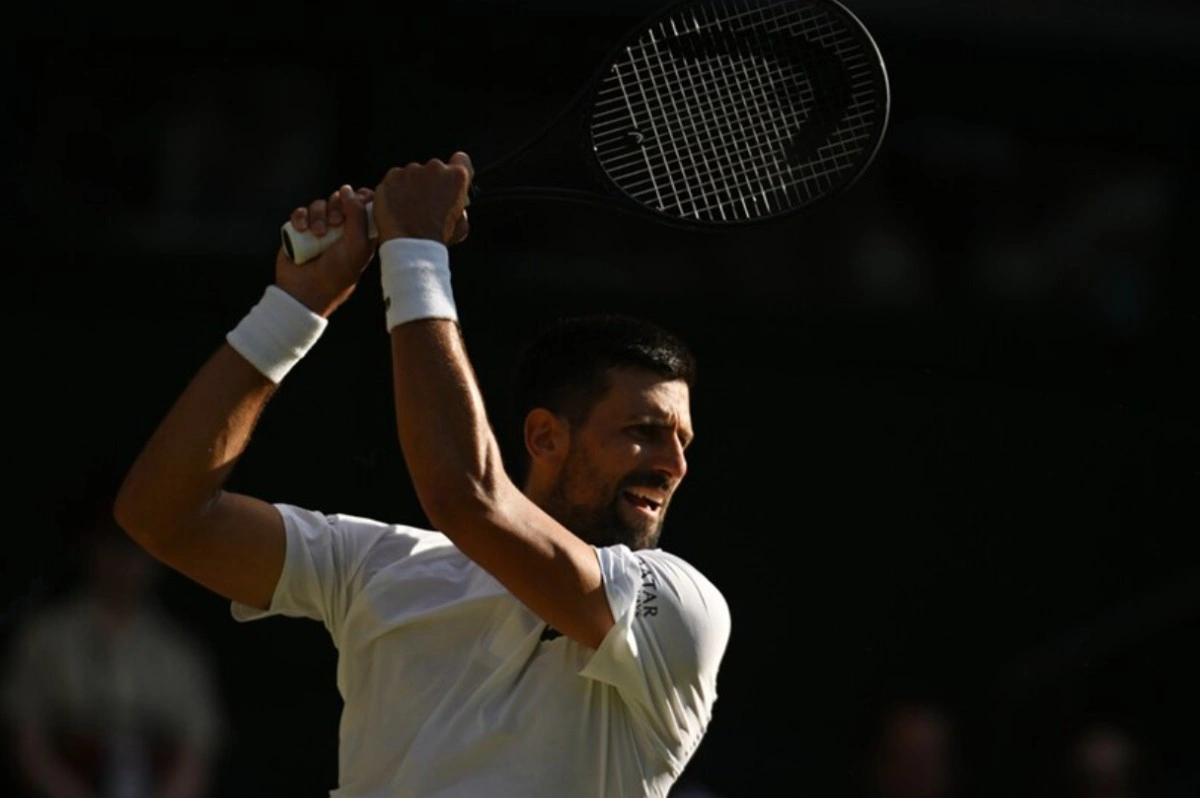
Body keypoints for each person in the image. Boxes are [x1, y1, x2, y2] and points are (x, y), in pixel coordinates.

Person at [113, 152, 731, 797]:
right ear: (545, 437)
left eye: (683, 441)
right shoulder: (380, 567)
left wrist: (414, 250)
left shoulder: (679, 607)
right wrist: (294, 307)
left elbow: (466, 498)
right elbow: (163, 517)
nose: (674, 464)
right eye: (643, 432)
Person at [2, 509, 225, 798]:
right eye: (113, 545)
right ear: (89, 546)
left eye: (136, 549)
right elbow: (27, 739)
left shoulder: (181, 651)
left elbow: (198, 750)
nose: (125, 562)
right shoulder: (45, 637)